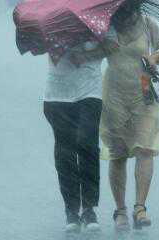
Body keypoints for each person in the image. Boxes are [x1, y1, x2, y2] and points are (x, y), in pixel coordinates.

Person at [100, 0, 159, 232]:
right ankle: (120, 210)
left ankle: (140, 207)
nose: (126, 18)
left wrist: (155, 58)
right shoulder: (106, 26)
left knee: (145, 149)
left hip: (144, 94)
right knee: (118, 154)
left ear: (135, 9)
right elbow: (95, 53)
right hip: (114, 96)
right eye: (120, 14)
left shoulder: (148, 24)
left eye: (129, 13)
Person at [43, 40, 108, 234]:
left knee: (87, 144)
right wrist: (59, 46)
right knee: (65, 151)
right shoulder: (53, 18)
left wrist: (85, 55)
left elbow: (112, 46)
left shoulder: (98, 15)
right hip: (57, 94)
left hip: (90, 91)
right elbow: (40, 46)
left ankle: (89, 208)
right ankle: (71, 210)